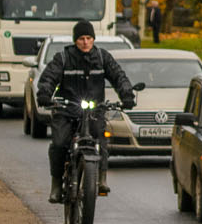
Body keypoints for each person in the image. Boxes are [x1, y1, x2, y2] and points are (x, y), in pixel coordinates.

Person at [37, 20, 136, 203]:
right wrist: (44, 94)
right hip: (67, 110)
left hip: (94, 110)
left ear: (93, 39)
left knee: (100, 137)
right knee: (59, 143)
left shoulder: (102, 57)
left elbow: (118, 76)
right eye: (81, 38)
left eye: (89, 38)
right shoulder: (63, 58)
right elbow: (48, 78)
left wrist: (127, 95)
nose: (85, 42)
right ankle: (56, 185)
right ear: (75, 40)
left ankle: (101, 178)